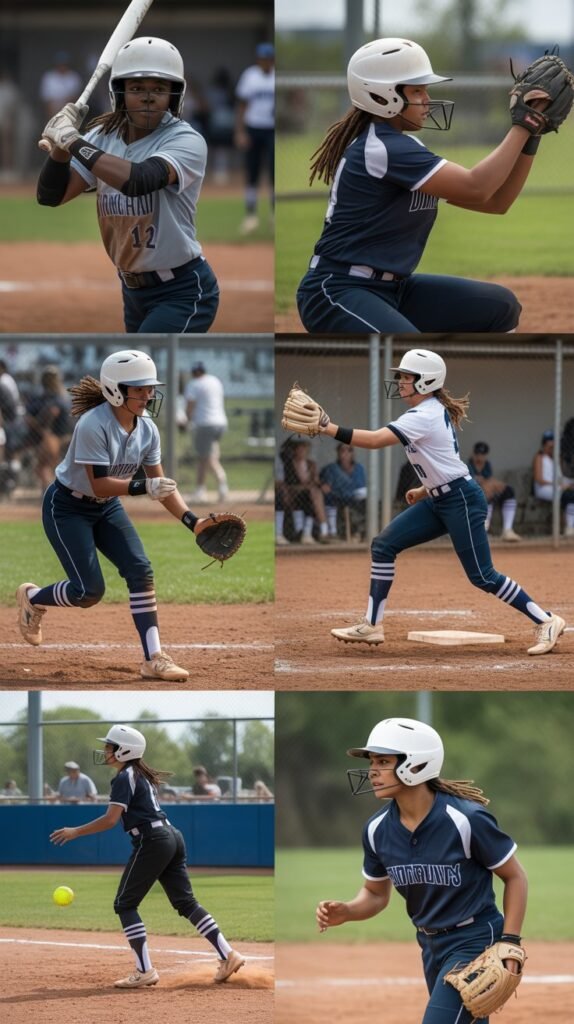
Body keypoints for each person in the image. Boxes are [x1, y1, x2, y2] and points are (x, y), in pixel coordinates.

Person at [305, 348, 565, 654]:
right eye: (400, 376)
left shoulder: (424, 414)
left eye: (406, 376)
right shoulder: (426, 411)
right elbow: (445, 463)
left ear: (425, 382)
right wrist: (425, 489)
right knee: (383, 545)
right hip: (440, 498)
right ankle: (372, 625)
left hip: (462, 500)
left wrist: (327, 427)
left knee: (482, 575)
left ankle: (545, 620)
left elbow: (375, 441)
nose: (400, 381)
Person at [296, 37, 553, 334]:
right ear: (382, 95)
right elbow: (477, 187)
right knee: (409, 347)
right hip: (338, 290)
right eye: (417, 90)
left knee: (501, 307)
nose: (427, 98)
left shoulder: (404, 145)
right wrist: (524, 123)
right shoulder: (383, 148)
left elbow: (496, 202)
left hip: (395, 290)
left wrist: (532, 134)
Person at [15, 349, 228, 681]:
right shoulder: (93, 424)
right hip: (67, 507)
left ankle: (153, 658)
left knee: (140, 569)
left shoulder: (148, 430)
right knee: (88, 592)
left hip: (107, 507)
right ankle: (32, 597)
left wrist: (193, 521)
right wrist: (145, 486)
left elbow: (162, 486)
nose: (149, 395)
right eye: (140, 388)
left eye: (150, 388)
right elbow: (99, 484)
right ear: (116, 389)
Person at [316, 716, 528, 1024]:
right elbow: (375, 894)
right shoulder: (377, 829)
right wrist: (347, 911)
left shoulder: (465, 819)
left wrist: (510, 941)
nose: (373, 770)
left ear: (415, 765)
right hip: (430, 945)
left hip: (475, 938)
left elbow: (515, 876)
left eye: (383, 761)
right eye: (372, 761)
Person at [36, 37, 219, 334]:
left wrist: (72, 141)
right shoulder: (102, 136)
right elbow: (51, 196)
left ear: (174, 94)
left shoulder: (186, 140)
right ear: (119, 92)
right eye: (136, 88)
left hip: (182, 291)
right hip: (132, 290)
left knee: (147, 360)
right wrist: (59, 145)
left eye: (159, 89)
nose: (148, 97)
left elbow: (138, 180)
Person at [49, 725, 245, 987]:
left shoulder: (124, 777)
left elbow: (110, 820)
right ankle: (228, 954)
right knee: (186, 903)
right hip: (171, 836)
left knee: (125, 904)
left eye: (110, 746)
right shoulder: (139, 774)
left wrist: (75, 831)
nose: (105, 750)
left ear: (124, 750)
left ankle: (145, 971)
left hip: (153, 840)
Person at [235, 42, 275, 234]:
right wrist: (240, 131)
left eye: (268, 58)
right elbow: (242, 105)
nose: (265, 62)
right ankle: (251, 215)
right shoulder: (250, 76)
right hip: (253, 128)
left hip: (272, 129)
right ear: (258, 59)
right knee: (252, 173)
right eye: (262, 58)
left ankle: (274, 216)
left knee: (274, 174)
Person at [184, 362, 228, 502]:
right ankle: (203, 489)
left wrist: (188, 421)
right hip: (220, 423)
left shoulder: (194, 384)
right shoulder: (215, 380)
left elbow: (190, 406)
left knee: (205, 459)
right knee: (210, 456)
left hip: (205, 424)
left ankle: (213, 486)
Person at [25, 365, 73, 490]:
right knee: (43, 466)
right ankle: (49, 491)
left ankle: (53, 490)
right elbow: (29, 417)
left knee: (50, 465)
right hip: (49, 437)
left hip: (66, 436)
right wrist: (42, 430)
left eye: (53, 378)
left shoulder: (64, 397)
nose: (50, 381)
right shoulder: (40, 398)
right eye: (47, 378)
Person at [467, 441, 521, 542]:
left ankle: (507, 530)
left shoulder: (487, 464)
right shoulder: (468, 465)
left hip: (487, 492)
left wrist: (495, 484)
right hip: (473, 495)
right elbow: (474, 482)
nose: (480, 457)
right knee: (486, 493)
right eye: (477, 454)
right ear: (474, 454)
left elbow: (489, 479)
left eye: (482, 454)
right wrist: (488, 484)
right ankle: (483, 532)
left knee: (508, 491)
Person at [280, 438, 329, 544]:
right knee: (314, 493)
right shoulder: (289, 464)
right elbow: (288, 483)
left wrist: (322, 485)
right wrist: (307, 487)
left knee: (314, 494)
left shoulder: (311, 464)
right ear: (295, 450)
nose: (304, 452)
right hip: (294, 492)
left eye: (306, 449)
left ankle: (308, 534)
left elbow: (316, 480)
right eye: (301, 449)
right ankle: (323, 529)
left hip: (308, 493)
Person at [320, 443, 367, 540]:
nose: (345, 453)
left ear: (352, 453)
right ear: (338, 453)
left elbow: (361, 488)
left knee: (367, 502)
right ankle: (333, 532)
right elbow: (327, 487)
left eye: (349, 450)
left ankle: (359, 533)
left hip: (355, 498)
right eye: (342, 450)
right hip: (338, 496)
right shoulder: (332, 468)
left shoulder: (359, 468)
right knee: (329, 497)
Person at [533, 429, 574, 538]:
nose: (552, 447)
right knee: (568, 495)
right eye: (550, 444)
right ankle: (569, 528)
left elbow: (560, 478)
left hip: (556, 486)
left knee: (570, 492)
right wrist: (559, 485)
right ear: (544, 444)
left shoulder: (556, 458)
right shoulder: (539, 457)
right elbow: (539, 479)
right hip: (544, 488)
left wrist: (569, 483)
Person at [39, 53, 82, 119]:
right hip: (53, 111)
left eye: (64, 64)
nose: (62, 67)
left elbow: (76, 97)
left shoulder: (73, 76)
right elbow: (46, 100)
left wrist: (65, 107)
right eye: (60, 64)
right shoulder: (49, 77)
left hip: (69, 111)